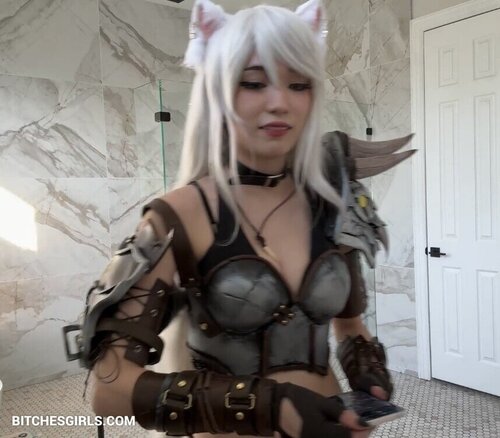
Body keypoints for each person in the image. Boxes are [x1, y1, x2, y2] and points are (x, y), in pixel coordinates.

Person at [63, 0, 412, 436]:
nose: (280, 102)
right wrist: (272, 407)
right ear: (217, 90)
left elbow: (349, 325)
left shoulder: (334, 201)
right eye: (253, 83)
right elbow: (109, 391)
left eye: (299, 84)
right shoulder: (178, 214)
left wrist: (368, 377)